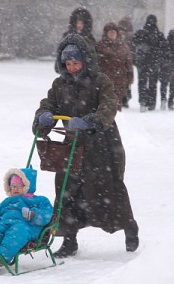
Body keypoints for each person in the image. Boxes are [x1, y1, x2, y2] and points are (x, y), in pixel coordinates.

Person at [32, 33, 139, 258]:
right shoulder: (59, 84)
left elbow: (109, 107)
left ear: (86, 61)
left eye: (76, 63)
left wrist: (92, 121)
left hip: (103, 146)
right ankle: (70, 240)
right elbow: (47, 103)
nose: (71, 68)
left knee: (109, 189)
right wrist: (44, 116)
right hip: (72, 145)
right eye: (67, 63)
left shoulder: (101, 81)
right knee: (66, 191)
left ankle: (129, 226)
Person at [0, 167, 53, 264]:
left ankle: (2, 255)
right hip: (5, 224)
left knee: (16, 232)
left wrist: (33, 215)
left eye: (18, 186)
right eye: (12, 187)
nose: (15, 189)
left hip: (26, 227)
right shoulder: (8, 201)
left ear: (27, 186)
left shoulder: (40, 200)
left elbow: (47, 215)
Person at [132, 14, 168, 112]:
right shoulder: (159, 35)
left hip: (142, 62)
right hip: (154, 62)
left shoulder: (140, 33)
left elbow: (133, 45)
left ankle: (143, 102)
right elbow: (164, 49)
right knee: (153, 83)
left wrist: (135, 58)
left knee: (142, 83)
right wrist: (161, 59)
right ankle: (151, 103)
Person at [96, 22, 134, 111]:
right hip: (104, 81)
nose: (112, 34)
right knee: (104, 106)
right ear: (106, 34)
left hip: (119, 81)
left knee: (116, 106)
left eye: (114, 32)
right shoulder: (100, 46)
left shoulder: (123, 47)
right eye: (110, 32)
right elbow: (95, 63)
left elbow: (128, 63)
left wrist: (129, 77)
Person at [118, 16, 136, 108]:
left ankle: (123, 98)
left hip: (120, 60)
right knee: (126, 81)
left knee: (122, 81)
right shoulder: (130, 36)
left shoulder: (118, 34)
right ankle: (126, 98)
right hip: (126, 59)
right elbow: (133, 47)